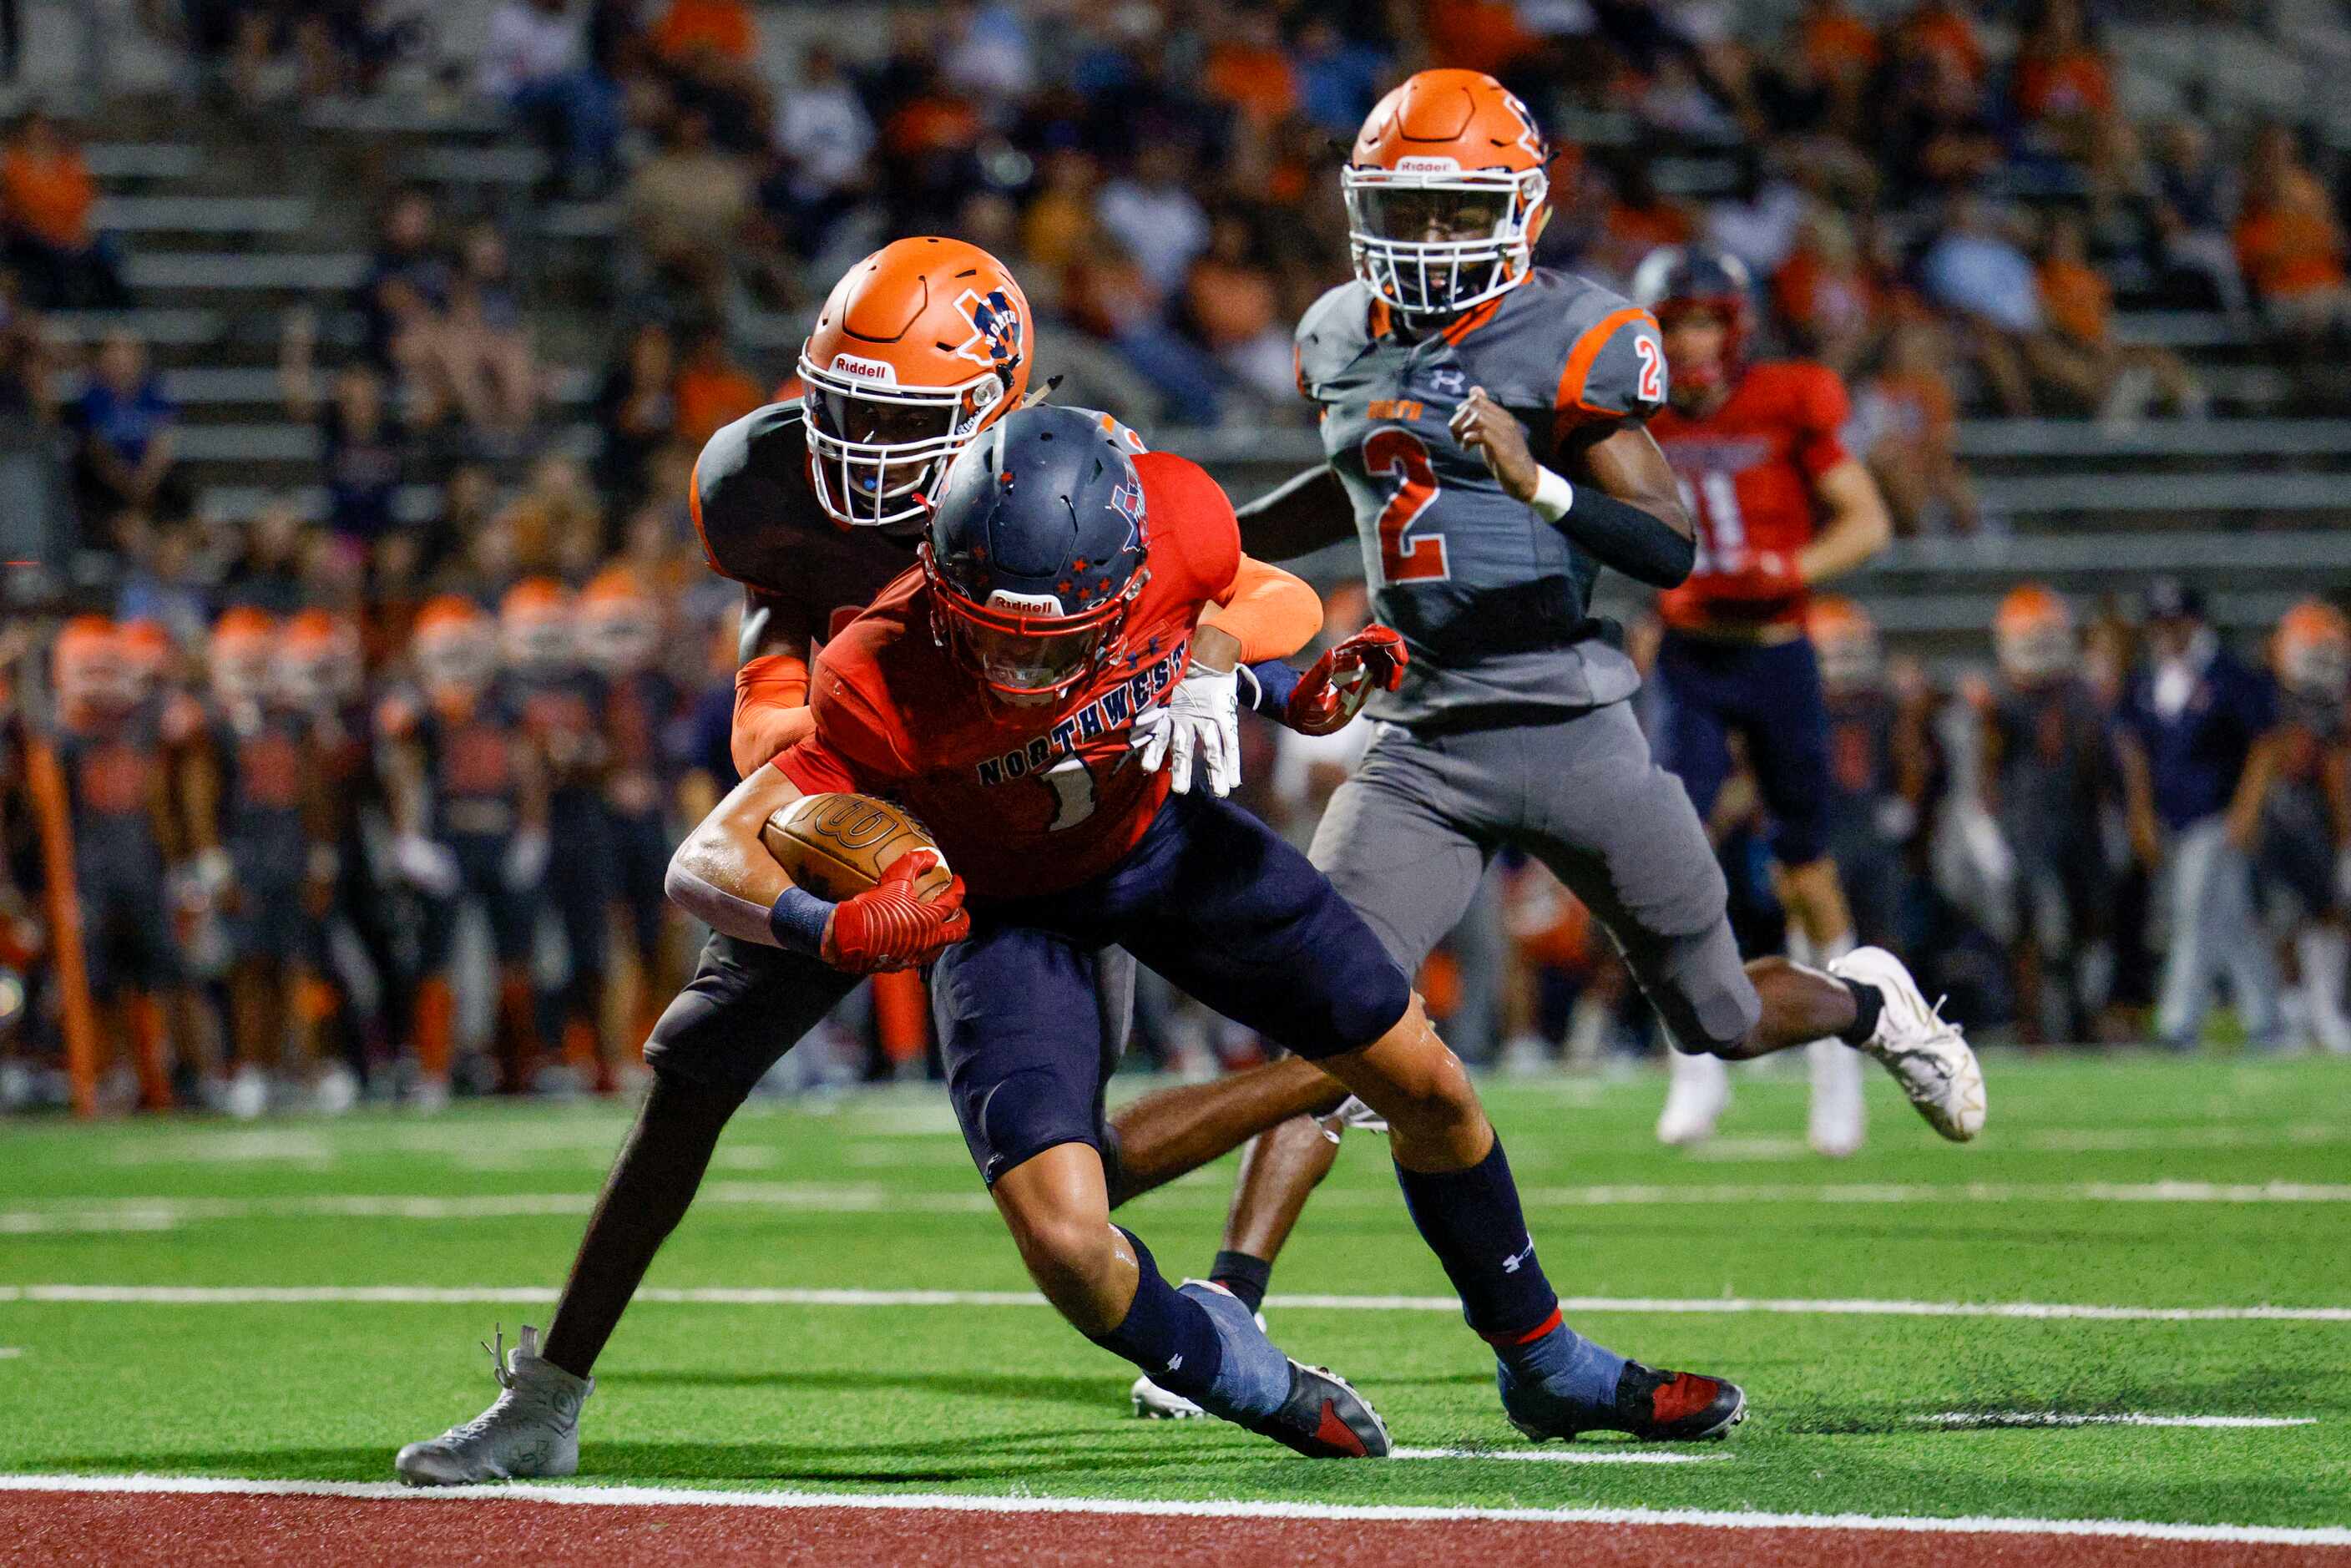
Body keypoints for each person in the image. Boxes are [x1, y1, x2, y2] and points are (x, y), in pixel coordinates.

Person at [394, 239, 1402, 1485]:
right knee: (690, 1069)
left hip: (1053, 816)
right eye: (844, 405)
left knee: (1077, 1176)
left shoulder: (1073, 474)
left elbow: (1239, 593)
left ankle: (1301, 1117)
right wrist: (773, 705)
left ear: (1003, 409)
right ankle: (548, 1395)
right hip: (873, 797)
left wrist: (1220, 663)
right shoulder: (761, 472)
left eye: (899, 417)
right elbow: (782, 593)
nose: (861, 444)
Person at [1133, 70, 1981, 1421]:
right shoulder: (1338, 332)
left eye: (1450, 205)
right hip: (1417, 733)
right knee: (1329, 1007)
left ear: (1518, 206)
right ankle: (1230, 1299)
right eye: (1397, 205)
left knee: (1719, 1017)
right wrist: (1205, 548)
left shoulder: (1580, 333)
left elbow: (1668, 542)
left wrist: (1538, 479)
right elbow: (1355, 482)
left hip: (1572, 717)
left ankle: (1871, 1000)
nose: (1419, 234)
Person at [668, 403, 1749, 1459]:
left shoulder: (1178, 517)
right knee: (1064, 1237)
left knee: (1430, 1080)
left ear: (1132, 575)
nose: (1021, 676)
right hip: (1005, 909)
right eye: (996, 641)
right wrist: (824, 920)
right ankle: (1239, 1370)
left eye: (1054, 645)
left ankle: (1545, 1361)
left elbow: (1266, 596)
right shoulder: (875, 666)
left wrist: (1227, 660)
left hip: (1163, 844)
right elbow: (709, 855)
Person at [1634, 243, 1904, 1155]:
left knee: (1806, 863)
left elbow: (1867, 519)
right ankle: (1696, 1063)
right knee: (1670, 849)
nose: (1690, 343)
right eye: (1673, 326)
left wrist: (1785, 568)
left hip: (1779, 652)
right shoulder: (1632, 413)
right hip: (1688, 653)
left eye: (1704, 322)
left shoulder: (1788, 399)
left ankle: (1838, 1064)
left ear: (1735, 328)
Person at [378, 596, 550, 1103]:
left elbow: (528, 770)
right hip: (445, 841)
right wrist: (408, 839)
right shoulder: (415, 709)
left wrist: (533, 831)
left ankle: (518, 1070)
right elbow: (401, 776)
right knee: (434, 959)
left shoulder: (509, 704)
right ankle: (432, 1070)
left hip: (499, 835)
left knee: (516, 956)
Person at [195, 608, 351, 1119]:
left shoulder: (295, 720)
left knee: (309, 968)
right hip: (246, 858)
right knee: (251, 970)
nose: (251, 674)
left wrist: (323, 857)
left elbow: (315, 791)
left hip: (292, 853)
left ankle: (318, 1067)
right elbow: (201, 797)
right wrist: (214, 863)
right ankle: (253, 1069)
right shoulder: (211, 725)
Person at [2117, 579, 2282, 1051]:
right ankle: (2267, 1017)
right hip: (2174, 820)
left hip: (2215, 817)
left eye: (2175, 623)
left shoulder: (2227, 674)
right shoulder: (2150, 679)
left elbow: (2265, 741)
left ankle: (2178, 1022)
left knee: (2190, 916)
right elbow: (2135, 749)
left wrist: (2247, 809)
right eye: (2160, 623)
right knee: (2229, 923)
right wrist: (2141, 813)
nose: (2167, 633)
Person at [1980, 585, 2125, 1045]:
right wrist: (1992, 829)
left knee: (2090, 922)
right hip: (2026, 825)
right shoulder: (1999, 699)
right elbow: (1987, 771)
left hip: (2077, 821)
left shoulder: (2080, 694)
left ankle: (2084, 1015)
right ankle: (2033, 1024)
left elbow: (2101, 764)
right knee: (2031, 930)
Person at [2242, 600, 2351, 1055]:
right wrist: (2246, 814)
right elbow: (2264, 756)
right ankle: (2290, 1014)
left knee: (2326, 914)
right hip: (2281, 816)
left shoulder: (2338, 704)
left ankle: (2323, 1009)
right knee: (2280, 920)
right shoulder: (2269, 698)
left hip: (2322, 819)